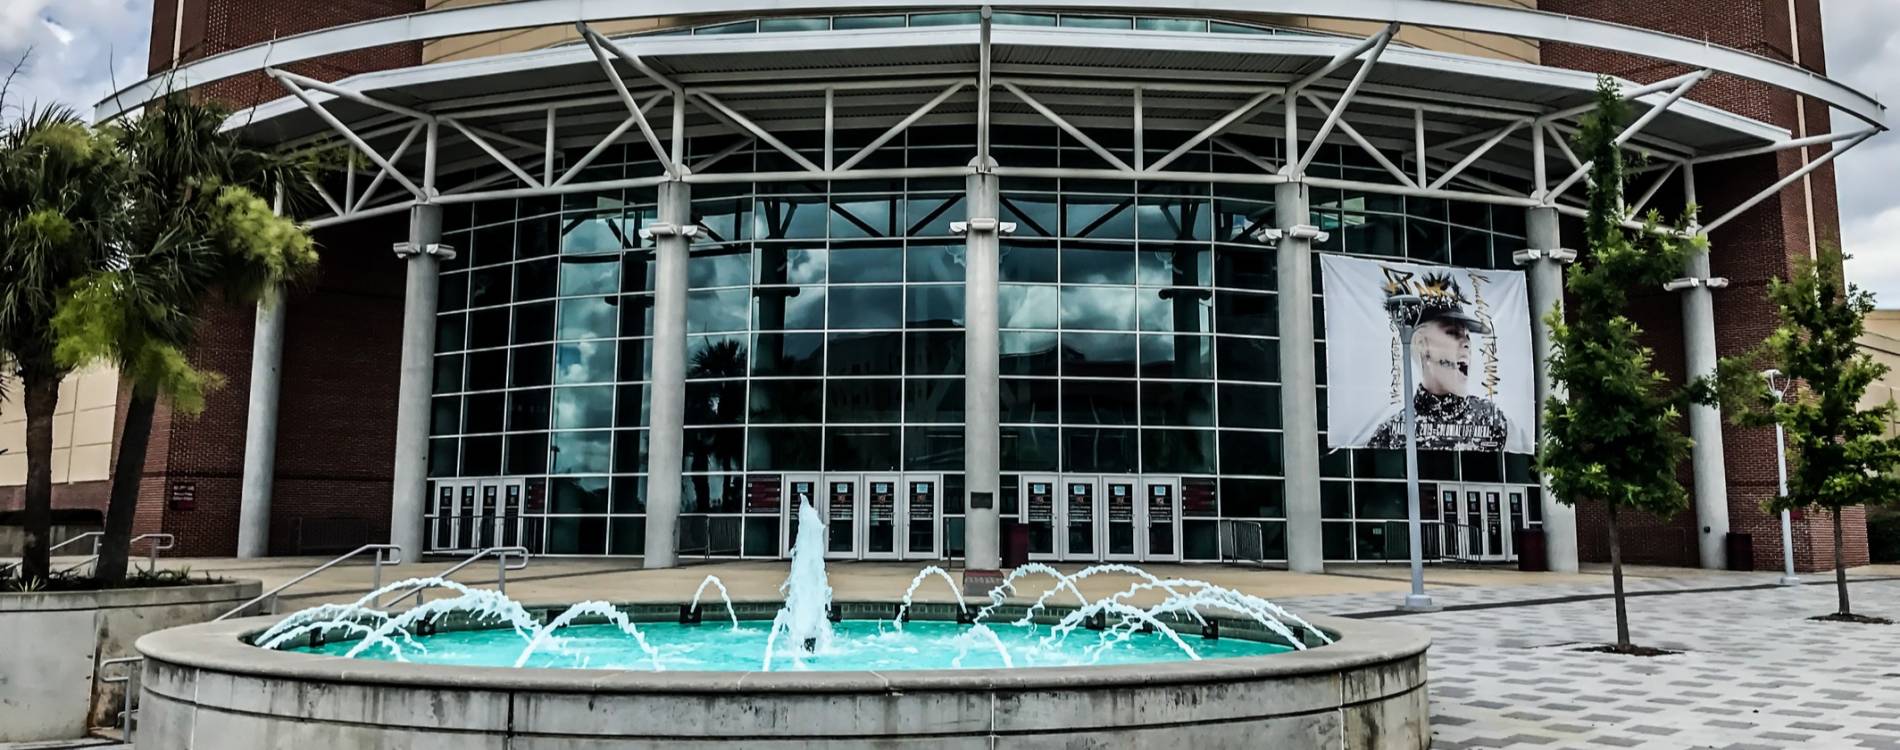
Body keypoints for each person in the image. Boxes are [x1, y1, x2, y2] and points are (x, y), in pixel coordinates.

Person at [1369, 273, 1510, 451]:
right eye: (1452, 333)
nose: (1466, 343)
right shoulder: (1390, 432)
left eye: (1467, 336)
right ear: (1422, 344)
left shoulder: (1491, 418)